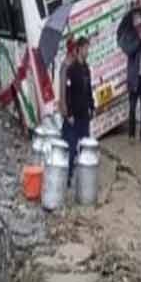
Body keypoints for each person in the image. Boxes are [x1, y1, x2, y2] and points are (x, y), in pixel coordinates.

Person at [64, 36, 95, 187]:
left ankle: (83, 178)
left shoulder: (86, 69)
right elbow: (67, 92)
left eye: (88, 48)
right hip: (74, 115)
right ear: (80, 49)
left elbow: (89, 89)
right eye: (86, 48)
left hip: (85, 114)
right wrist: (69, 113)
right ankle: (68, 177)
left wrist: (92, 106)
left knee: (84, 147)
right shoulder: (71, 69)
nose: (88, 51)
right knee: (71, 147)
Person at [126, 13, 141, 141]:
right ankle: (131, 134)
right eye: (137, 25)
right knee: (132, 108)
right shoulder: (131, 38)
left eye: (140, 25)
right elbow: (130, 50)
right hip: (133, 78)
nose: (139, 27)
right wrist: (139, 39)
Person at [58, 37, 77, 175]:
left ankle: (66, 172)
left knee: (68, 142)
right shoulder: (66, 68)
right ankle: (68, 173)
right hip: (69, 113)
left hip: (73, 112)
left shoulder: (72, 66)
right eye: (76, 49)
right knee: (69, 144)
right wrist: (68, 113)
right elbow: (63, 93)